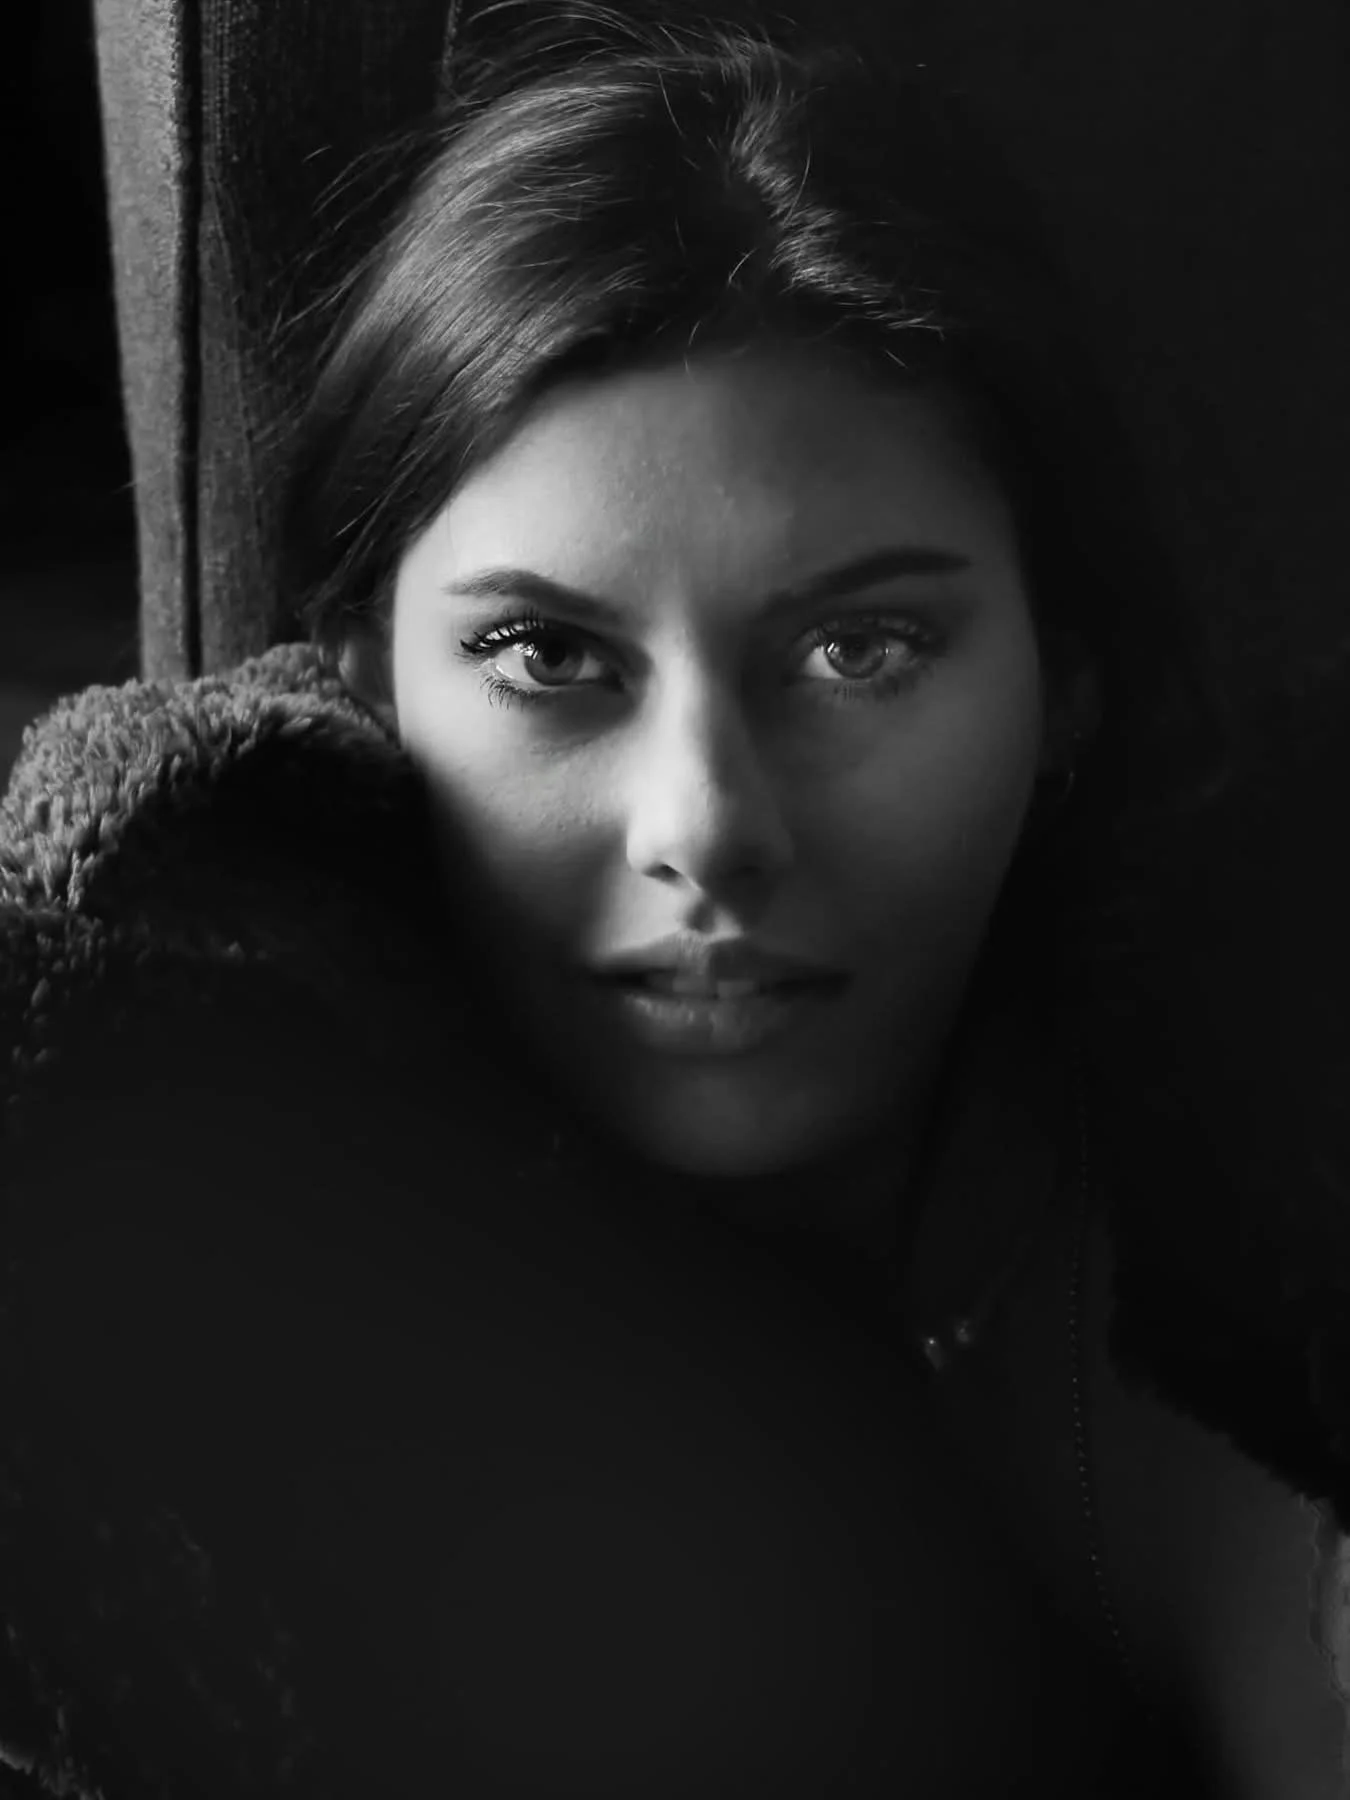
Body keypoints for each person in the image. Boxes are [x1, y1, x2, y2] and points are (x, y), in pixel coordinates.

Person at [1, 13, 1346, 1796]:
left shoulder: (1242, 1269)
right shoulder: (177, 1216)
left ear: (1065, 684)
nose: (703, 828)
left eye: (861, 648)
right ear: (359, 688)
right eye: (547, 655)